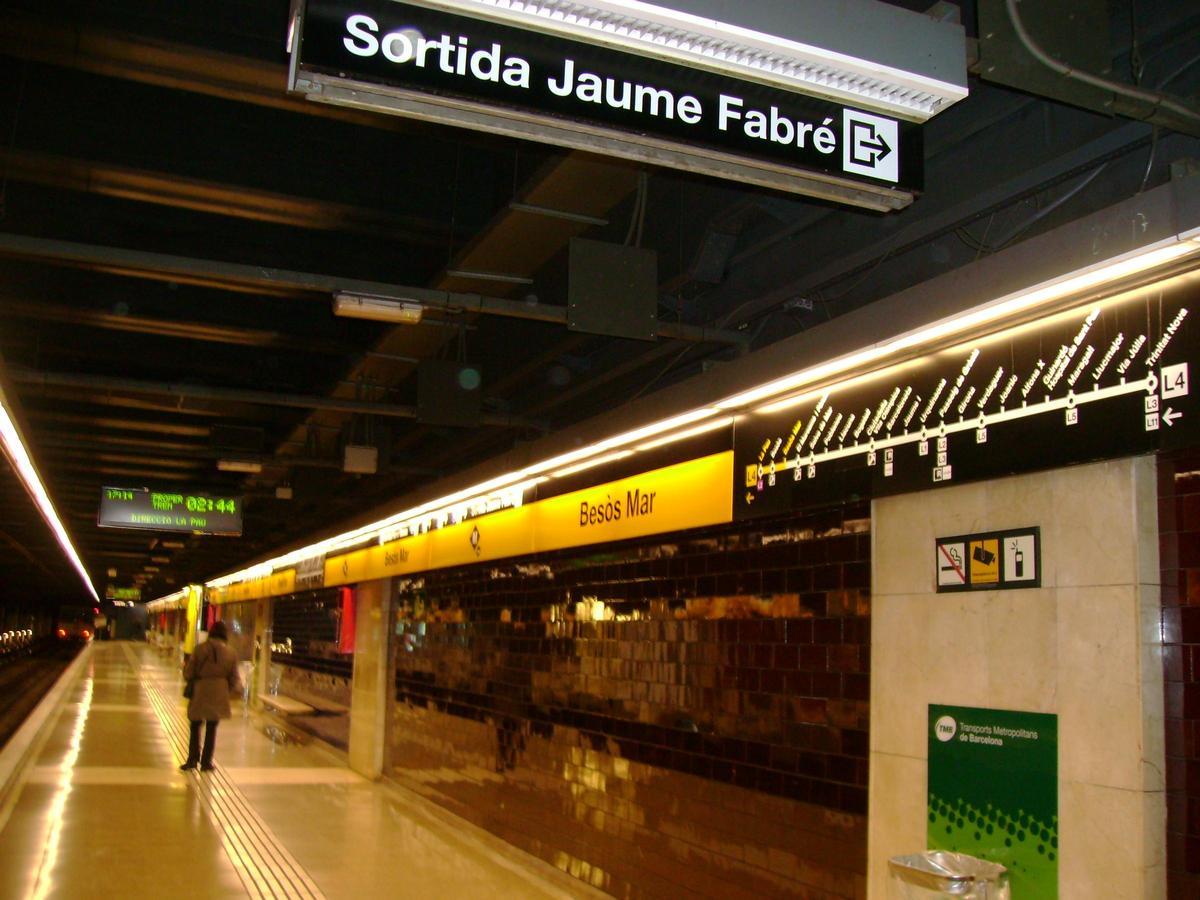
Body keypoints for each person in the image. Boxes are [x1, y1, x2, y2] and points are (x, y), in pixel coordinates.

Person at [180, 620, 243, 773]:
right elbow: (234, 677)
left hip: (200, 690)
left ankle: (192, 760)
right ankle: (206, 763)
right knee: (212, 727)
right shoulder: (231, 653)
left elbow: (189, 673)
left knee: (195, 726)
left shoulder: (200, 649)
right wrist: (237, 691)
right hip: (219, 693)